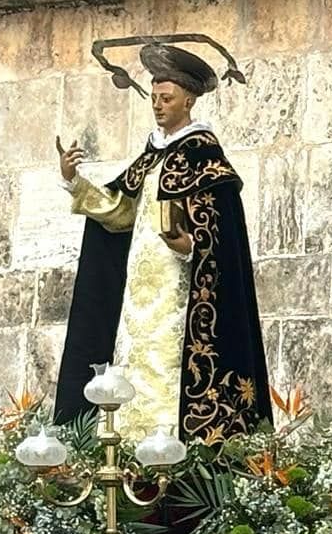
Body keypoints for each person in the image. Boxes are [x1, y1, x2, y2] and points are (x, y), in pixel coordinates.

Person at [54, 39, 270, 442]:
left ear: (187, 102)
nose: (157, 105)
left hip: (180, 293)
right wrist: (74, 182)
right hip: (138, 296)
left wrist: (190, 246)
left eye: (166, 97)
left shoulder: (206, 157)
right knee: (134, 362)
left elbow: (222, 236)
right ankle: (131, 451)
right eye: (153, 97)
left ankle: (174, 444)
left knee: (169, 362)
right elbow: (121, 211)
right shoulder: (151, 156)